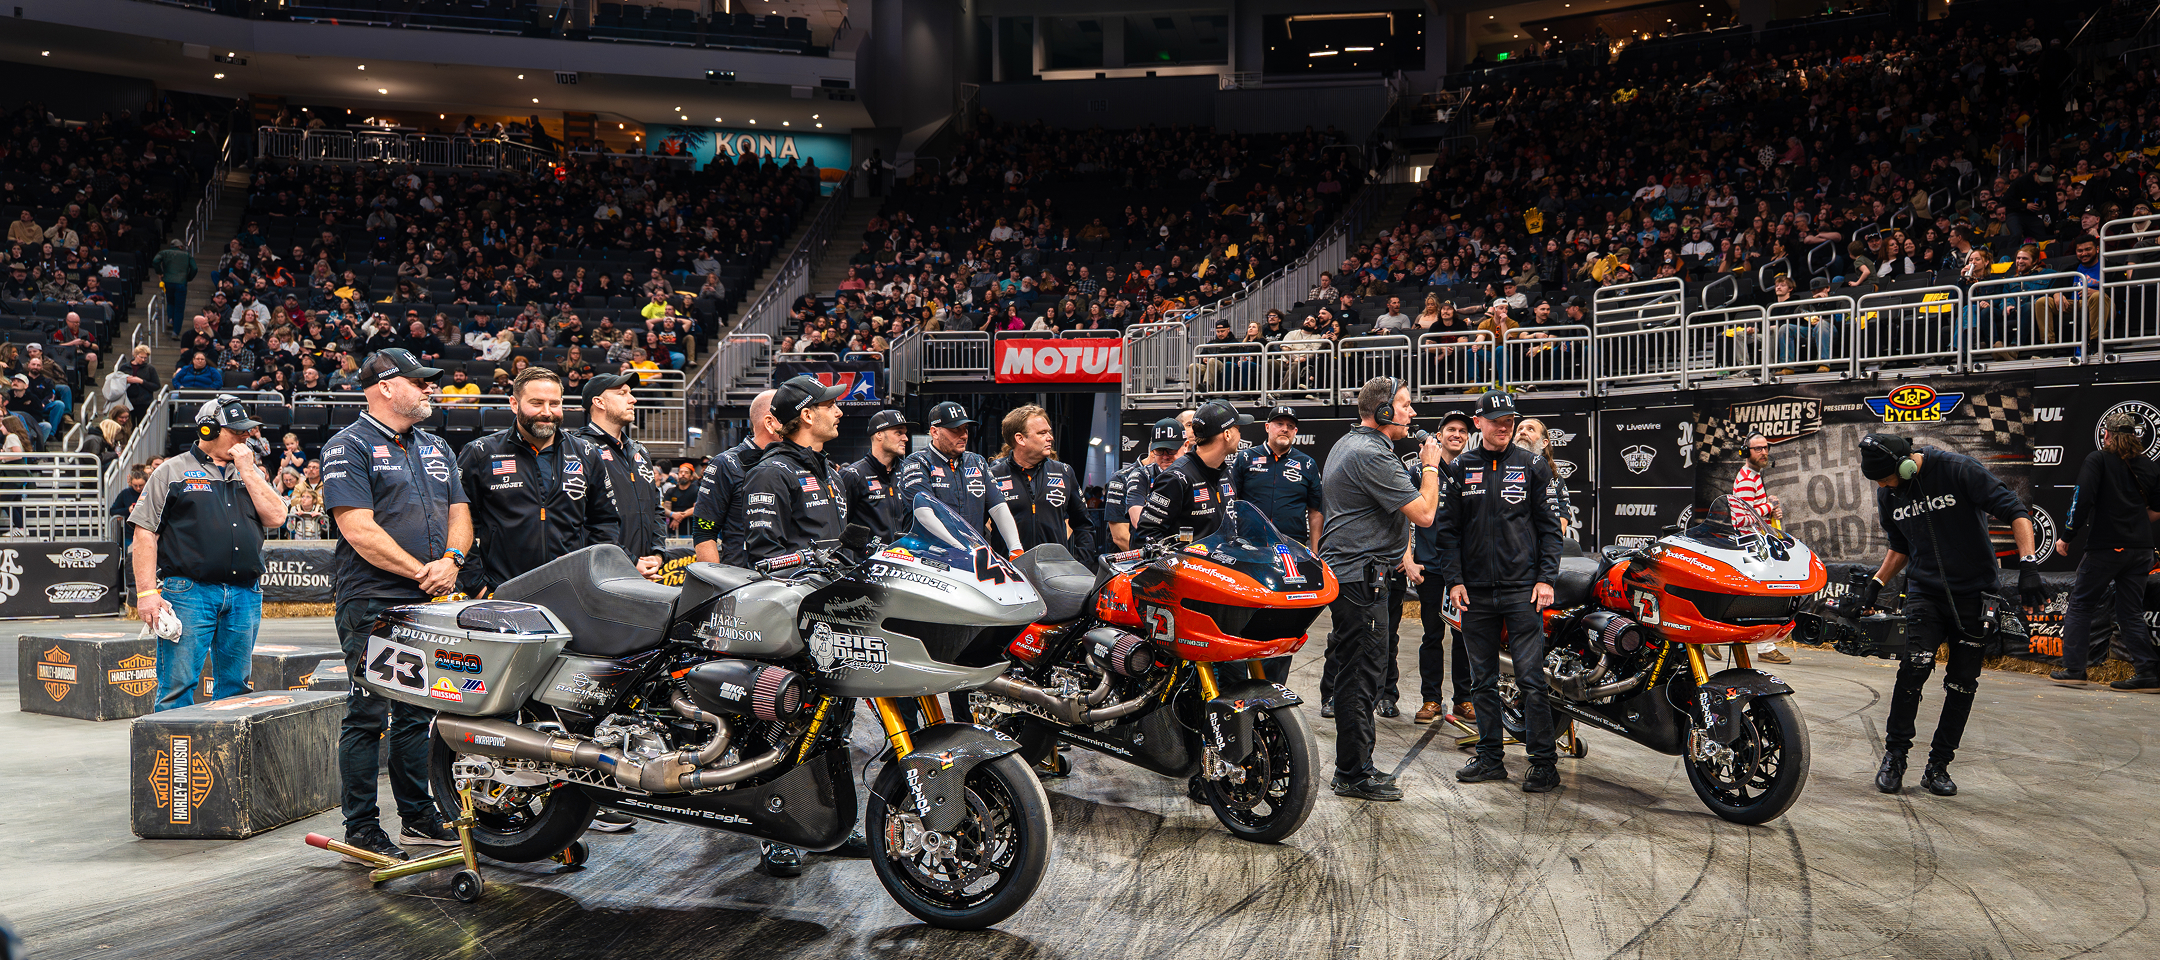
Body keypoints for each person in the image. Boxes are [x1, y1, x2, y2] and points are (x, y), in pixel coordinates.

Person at [319, 348, 474, 863]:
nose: (430, 388)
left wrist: (451, 561)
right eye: (419, 381)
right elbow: (358, 530)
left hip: (429, 596)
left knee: (417, 714)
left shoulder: (436, 445)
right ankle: (361, 826)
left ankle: (418, 817)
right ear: (385, 386)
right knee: (368, 713)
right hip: (374, 599)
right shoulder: (349, 446)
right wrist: (421, 572)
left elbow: (460, 512)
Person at [1848, 433, 2041, 797]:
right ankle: (1895, 756)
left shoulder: (1957, 469)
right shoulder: (1889, 492)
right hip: (1925, 592)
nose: (1882, 485)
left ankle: (1939, 765)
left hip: (1975, 593)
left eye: (1886, 477)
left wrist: (2028, 563)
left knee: (1962, 683)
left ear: (1905, 464)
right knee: (1913, 668)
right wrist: (1876, 583)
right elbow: (1900, 546)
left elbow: (2016, 511)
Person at [737, 375, 850, 877]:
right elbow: (764, 556)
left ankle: (819, 821)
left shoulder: (829, 471)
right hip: (788, 620)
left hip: (832, 614)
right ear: (807, 415)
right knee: (780, 725)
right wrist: (818, 557)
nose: (839, 412)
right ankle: (773, 832)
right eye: (831, 406)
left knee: (830, 728)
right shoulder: (772, 473)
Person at [1317, 379, 1442, 802]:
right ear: (1383, 412)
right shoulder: (1371, 453)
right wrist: (1430, 466)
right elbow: (1424, 513)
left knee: (1362, 673)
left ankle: (1358, 765)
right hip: (1360, 579)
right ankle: (1352, 773)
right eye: (1405, 406)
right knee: (1360, 677)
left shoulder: (1351, 444)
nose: (1413, 414)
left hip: (1357, 575)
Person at [1438, 390, 1565, 794]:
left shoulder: (1531, 466)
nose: (1505, 425)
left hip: (1522, 591)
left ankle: (1544, 762)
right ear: (1479, 423)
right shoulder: (1460, 468)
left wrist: (1546, 578)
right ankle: (1491, 758)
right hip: (1474, 594)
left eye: (1509, 419)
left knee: (1531, 680)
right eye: (1496, 420)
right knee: (1482, 682)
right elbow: (1448, 533)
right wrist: (1455, 580)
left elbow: (1550, 529)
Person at [129, 396, 287, 712]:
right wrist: (147, 593)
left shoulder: (250, 473)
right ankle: (176, 757)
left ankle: (225, 758)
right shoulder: (171, 471)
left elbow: (276, 517)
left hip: (244, 593)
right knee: (178, 684)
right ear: (208, 429)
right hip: (189, 592)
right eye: (238, 431)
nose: (247, 437)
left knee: (236, 686)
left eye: (248, 431)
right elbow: (145, 533)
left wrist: (249, 470)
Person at [456, 367, 622, 590]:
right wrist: (477, 585)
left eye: (555, 403)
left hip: (570, 590)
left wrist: (592, 576)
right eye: (536, 403)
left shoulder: (587, 453)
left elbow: (605, 522)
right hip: (503, 590)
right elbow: (459, 522)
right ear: (514, 404)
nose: (547, 412)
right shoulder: (480, 453)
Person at [2049, 412, 2160, 691]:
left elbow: (2081, 499)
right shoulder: (2147, 464)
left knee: (2081, 604)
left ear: (2107, 434)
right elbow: (2157, 509)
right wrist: (2133, 522)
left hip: (2107, 547)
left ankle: (2074, 669)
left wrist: (2066, 537)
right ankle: (2148, 673)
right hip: (2142, 549)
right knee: (2131, 612)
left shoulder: (2097, 459)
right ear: (2135, 436)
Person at [1226, 404, 1324, 684]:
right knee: (1247, 613)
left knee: (1284, 619)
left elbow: (1315, 511)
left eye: (1290, 426)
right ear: (1267, 427)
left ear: (1295, 432)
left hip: (1289, 555)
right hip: (1248, 551)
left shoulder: (1307, 464)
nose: (1285, 429)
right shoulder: (1244, 458)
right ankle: (1237, 681)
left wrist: (1314, 551)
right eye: (1279, 423)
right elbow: (1229, 505)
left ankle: (1273, 685)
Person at [1410, 410, 1476, 725]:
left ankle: (1464, 699)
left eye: (1462, 430)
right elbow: (1400, 517)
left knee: (1465, 636)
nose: (1457, 434)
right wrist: (1406, 557)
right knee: (1432, 635)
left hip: (1464, 571)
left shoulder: (1473, 469)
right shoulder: (1419, 471)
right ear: (1439, 435)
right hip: (1431, 568)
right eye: (1450, 429)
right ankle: (1431, 700)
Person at [574, 372, 667, 579]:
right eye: (622, 393)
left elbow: (656, 510)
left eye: (631, 393)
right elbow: (580, 519)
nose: (632, 399)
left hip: (646, 572)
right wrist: (629, 561)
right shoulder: (578, 448)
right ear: (599, 402)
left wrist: (657, 555)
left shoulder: (639, 451)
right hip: (601, 574)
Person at [895, 401, 1021, 550]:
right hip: (930, 557)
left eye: (965, 429)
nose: (964, 435)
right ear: (935, 432)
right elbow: (923, 513)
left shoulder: (977, 462)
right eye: (955, 430)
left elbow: (999, 507)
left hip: (974, 557)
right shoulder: (917, 462)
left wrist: (1016, 548)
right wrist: (958, 547)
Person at [1134, 400, 1250, 548]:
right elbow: (1145, 537)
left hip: (1221, 567)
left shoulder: (1226, 473)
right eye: (1238, 429)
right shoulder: (1176, 478)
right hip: (1186, 569)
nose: (1240, 435)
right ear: (1227, 434)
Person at [990, 404, 1094, 559]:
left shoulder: (1064, 472)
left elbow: (1084, 524)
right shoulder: (993, 474)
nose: (1050, 437)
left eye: (1049, 432)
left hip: (1055, 573)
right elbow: (976, 526)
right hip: (1010, 573)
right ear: (1020, 439)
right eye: (1042, 433)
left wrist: (1081, 564)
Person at [692, 389, 777, 567]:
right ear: (770, 421)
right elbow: (704, 530)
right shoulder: (726, 463)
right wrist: (716, 583)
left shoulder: (791, 462)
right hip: (741, 578)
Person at [1728, 433, 1794, 664]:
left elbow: (1754, 511)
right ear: (1746, 452)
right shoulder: (1747, 478)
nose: (1764, 452)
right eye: (1758, 449)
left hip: (1757, 546)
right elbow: (1742, 520)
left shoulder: (1754, 476)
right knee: (1764, 597)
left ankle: (1710, 643)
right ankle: (1766, 648)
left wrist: (1769, 509)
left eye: (1766, 448)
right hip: (1752, 548)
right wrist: (1770, 506)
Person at [1105, 418, 1181, 550]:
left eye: (1171, 450)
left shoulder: (1179, 476)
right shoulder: (1122, 477)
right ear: (1152, 450)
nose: (1165, 456)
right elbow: (1120, 537)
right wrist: (1153, 559)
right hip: (1130, 561)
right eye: (1160, 451)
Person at [838, 409, 909, 543]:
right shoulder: (853, 476)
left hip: (903, 558)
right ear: (879, 434)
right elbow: (840, 526)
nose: (905, 438)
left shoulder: (908, 472)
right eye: (899, 432)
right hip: (866, 561)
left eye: (905, 433)